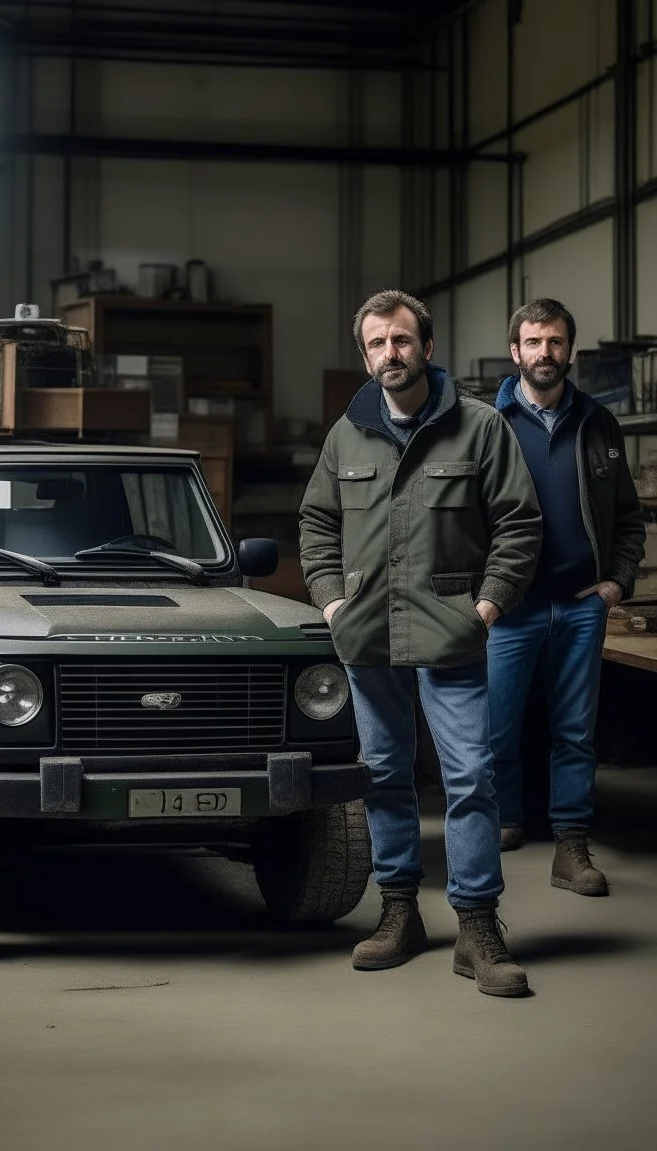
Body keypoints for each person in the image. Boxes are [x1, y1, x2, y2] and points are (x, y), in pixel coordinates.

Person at [299, 288, 542, 997]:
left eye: (401, 341)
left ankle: (477, 926)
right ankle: (399, 912)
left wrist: (488, 605)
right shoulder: (347, 434)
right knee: (382, 774)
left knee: (469, 777)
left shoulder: (480, 427)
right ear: (365, 354)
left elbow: (518, 526)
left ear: (426, 348)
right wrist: (333, 601)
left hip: (452, 634)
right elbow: (316, 523)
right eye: (376, 344)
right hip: (367, 632)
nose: (390, 355)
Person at [488, 298, 645, 892]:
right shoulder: (487, 423)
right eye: (533, 343)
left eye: (555, 342)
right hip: (510, 607)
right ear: (516, 352)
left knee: (575, 731)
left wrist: (615, 584)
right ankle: (504, 817)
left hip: (582, 603)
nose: (544, 353)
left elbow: (628, 518)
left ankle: (571, 844)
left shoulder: (598, 422)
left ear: (569, 351)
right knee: (497, 725)